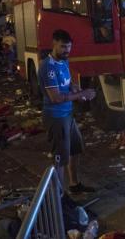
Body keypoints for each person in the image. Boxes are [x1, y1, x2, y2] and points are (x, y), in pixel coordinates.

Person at [39, 29, 96, 193]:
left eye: (69, 47)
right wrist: (80, 94)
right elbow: (56, 98)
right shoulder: (48, 67)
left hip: (67, 115)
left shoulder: (63, 61)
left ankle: (74, 185)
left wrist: (75, 88)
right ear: (54, 44)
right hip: (56, 117)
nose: (67, 50)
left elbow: (67, 83)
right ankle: (59, 197)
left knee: (75, 149)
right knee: (60, 159)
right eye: (63, 47)